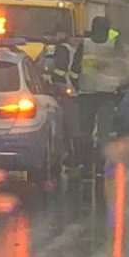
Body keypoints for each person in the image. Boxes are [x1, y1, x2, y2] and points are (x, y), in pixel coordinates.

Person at [77, 16, 127, 178]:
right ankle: (99, 166)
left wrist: (75, 85)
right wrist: (120, 89)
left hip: (86, 93)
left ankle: (85, 165)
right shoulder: (113, 45)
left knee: (85, 131)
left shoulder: (84, 44)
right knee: (103, 134)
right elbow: (122, 67)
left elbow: (75, 67)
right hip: (108, 94)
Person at [40, 25, 81, 166]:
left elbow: (57, 69)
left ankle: (70, 156)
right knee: (68, 127)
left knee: (65, 126)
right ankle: (72, 156)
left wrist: (50, 79)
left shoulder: (60, 49)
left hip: (60, 91)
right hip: (66, 91)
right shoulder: (68, 49)